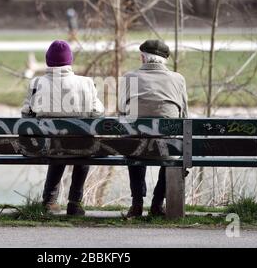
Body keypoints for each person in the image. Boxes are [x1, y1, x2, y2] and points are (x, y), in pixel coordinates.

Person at [21, 40, 104, 216]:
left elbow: (26, 114)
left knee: (57, 146)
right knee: (81, 146)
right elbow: (97, 112)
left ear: (47, 60)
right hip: (81, 147)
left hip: (44, 147)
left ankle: (49, 201)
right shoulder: (86, 83)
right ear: (70, 60)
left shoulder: (36, 83)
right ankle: (74, 202)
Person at [120, 39, 188, 218]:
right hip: (168, 149)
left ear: (142, 58)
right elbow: (184, 118)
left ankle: (136, 204)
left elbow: (122, 116)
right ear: (164, 60)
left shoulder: (128, 78)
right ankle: (157, 203)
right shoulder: (178, 79)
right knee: (173, 146)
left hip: (135, 149)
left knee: (134, 141)